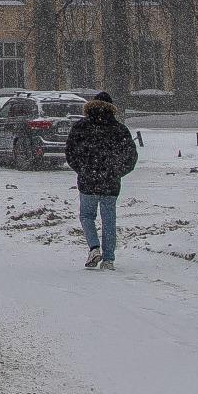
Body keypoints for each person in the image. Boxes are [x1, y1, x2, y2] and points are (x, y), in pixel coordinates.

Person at [65, 92, 138, 268]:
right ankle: (109, 259)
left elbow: (70, 152)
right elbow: (131, 156)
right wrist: (116, 172)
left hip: (88, 181)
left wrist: (83, 169)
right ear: (111, 109)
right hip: (110, 183)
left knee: (86, 216)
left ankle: (94, 247)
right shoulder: (119, 129)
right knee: (109, 220)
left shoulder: (81, 127)